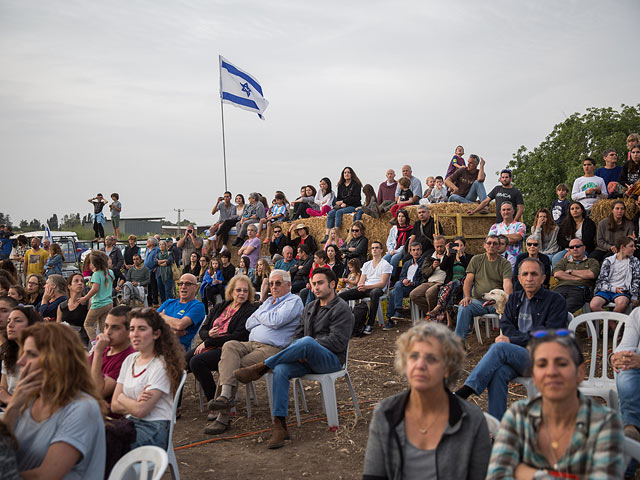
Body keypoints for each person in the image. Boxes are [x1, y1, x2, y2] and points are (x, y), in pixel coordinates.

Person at [234, 268, 353, 449]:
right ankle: (280, 426)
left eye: (320, 283)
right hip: (307, 359)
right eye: (313, 284)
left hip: (331, 360)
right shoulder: (310, 307)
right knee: (281, 370)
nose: (316, 287)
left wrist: (307, 347)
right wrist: (300, 350)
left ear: (332, 284)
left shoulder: (341, 308)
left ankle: (263, 366)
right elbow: (296, 335)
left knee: (306, 342)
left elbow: (337, 342)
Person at [487, 329, 624, 478]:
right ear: (532, 373)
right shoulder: (517, 416)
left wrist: (525, 473)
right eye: (542, 364)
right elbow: (497, 475)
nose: (551, 372)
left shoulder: (604, 422)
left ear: (580, 373)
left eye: (562, 363)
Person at [363, 321, 491, 479]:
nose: (420, 365)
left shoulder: (472, 419)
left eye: (431, 359)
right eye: (414, 356)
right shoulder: (386, 413)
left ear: (448, 369)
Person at [456, 258, 567, 418]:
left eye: (534, 274)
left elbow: (548, 333)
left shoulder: (555, 301)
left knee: (500, 347)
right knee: (498, 372)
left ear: (543, 278)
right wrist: (515, 341)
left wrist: (513, 341)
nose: (529, 278)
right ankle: (498, 429)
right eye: (525, 274)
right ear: (519, 279)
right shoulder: (514, 299)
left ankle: (464, 392)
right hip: (518, 357)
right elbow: (506, 327)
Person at [2, 322, 106, 477]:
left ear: (57, 360)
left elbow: (47, 475)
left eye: (31, 354)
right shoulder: (28, 399)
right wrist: (13, 405)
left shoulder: (82, 407)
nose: (20, 361)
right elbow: (3, 445)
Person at [207, 269, 303, 434]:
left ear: (289, 284)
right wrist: (264, 316)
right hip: (251, 343)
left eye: (278, 283)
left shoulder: (293, 301)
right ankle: (224, 396)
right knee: (229, 345)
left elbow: (276, 321)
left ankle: (222, 417)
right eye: (271, 284)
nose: (273, 287)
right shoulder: (268, 302)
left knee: (234, 367)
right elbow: (249, 323)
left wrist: (261, 315)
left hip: (273, 349)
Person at [186, 276, 258, 433]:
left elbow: (239, 336)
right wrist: (208, 335)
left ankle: (215, 402)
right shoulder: (221, 306)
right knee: (182, 362)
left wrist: (209, 342)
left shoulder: (249, 310)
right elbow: (204, 329)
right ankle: (174, 406)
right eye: (238, 290)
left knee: (197, 362)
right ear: (231, 291)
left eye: (245, 291)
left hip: (227, 349)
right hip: (209, 344)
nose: (242, 293)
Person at [112, 308, 186, 449]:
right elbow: (114, 406)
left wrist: (122, 397)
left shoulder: (161, 365)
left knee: (106, 446)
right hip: (130, 422)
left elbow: (141, 411)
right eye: (132, 329)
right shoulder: (129, 360)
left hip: (154, 429)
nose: (135, 334)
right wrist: (134, 403)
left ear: (156, 334)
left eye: (142, 329)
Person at [454, 235, 513, 341]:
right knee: (464, 307)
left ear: (499, 246)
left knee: (510, 310)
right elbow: (468, 281)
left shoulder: (505, 263)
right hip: (478, 302)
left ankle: (508, 341)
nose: (491, 245)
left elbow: (507, 283)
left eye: (495, 243)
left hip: (496, 303)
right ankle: (458, 343)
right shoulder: (476, 259)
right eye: (489, 243)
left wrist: (508, 300)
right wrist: (467, 296)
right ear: (484, 245)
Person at [339, 241, 393, 335]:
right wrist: (360, 285)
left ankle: (370, 324)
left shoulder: (386, 265)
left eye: (376, 248)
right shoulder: (366, 264)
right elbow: (361, 279)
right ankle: (346, 321)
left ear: (381, 250)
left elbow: (382, 284)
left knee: (375, 293)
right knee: (342, 295)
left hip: (377, 289)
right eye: (372, 248)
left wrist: (366, 287)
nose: (374, 250)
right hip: (365, 288)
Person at [89, 306, 135, 408]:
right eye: (106, 326)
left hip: (108, 418)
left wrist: (98, 353)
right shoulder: (105, 349)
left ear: (130, 331)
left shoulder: (129, 358)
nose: (108, 332)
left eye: (115, 327)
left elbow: (98, 392)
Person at [0, 306, 43, 406]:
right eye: (8, 321)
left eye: (18, 321)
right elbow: (2, 389)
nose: (10, 325)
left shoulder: (42, 355)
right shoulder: (8, 353)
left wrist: (9, 399)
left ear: (31, 325)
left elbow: (39, 400)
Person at [612, 307, 640, 446]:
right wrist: (617, 357)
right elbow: (625, 347)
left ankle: (631, 426)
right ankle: (631, 430)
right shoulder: (637, 314)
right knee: (625, 370)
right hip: (635, 372)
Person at [590, 236, 640, 313]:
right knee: (594, 305)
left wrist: (634, 296)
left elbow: (636, 280)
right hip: (606, 290)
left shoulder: (634, 261)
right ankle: (612, 324)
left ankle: (610, 324)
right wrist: (613, 289)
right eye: (631, 246)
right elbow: (601, 281)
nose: (634, 248)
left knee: (622, 303)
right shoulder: (608, 261)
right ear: (622, 247)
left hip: (623, 291)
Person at [157, 273, 206, 351]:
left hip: (176, 348)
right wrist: (172, 331)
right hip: (157, 342)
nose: (183, 287)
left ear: (195, 287)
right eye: (181, 284)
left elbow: (180, 325)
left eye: (188, 284)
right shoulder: (169, 302)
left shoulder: (198, 306)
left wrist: (162, 316)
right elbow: (152, 320)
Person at [552, 238, 600, 314]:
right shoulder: (564, 261)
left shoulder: (591, 261)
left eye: (577, 246)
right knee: (549, 307)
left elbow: (591, 274)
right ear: (569, 250)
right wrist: (579, 278)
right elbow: (557, 274)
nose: (575, 249)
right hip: (561, 288)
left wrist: (570, 271)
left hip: (579, 290)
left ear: (584, 248)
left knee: (564, 310)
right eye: (571, 247)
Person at [385, 242, 423, 329]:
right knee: (395, 290)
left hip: (416, 287)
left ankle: (394, 315)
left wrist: (413, 283)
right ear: (410, 252)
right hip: (404, 287)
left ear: (421, 251)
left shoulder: (423, 263)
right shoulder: (407, 263)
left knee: (396, 288)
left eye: (418, 250)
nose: (416, 252)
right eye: (413, 250)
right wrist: (404, 280)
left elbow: (424, 279)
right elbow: (402, 276)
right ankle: (395, 313)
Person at [80, 250, 114, 341]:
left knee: (88, 324)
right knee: (103, 326)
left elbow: (95, 289)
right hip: (109, 302)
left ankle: (95, 344)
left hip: (98, 303)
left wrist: (85, 298)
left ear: (94, 264)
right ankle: (106, 343)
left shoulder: (96, 274)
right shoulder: (110, 272)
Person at [409, 235, 447, 316]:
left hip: (441, 282)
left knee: (429, 293)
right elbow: (424, 273)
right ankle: (433, 312)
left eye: (441, 246)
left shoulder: (449, 256)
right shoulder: (429, 257)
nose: (439, 249)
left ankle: (432, 316)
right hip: (429, 282)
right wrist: (432, 267)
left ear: (445, 245)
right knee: (414, 294)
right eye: (437, 247)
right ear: (434, 246)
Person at [552, 201, 597, 266]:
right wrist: (570, 248)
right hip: (567, 249)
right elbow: (560, 239)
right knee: (556, 258)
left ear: (582, 210)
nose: (575, 210)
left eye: (577, 208)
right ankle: (559, 275)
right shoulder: (565, 223)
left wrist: (573, 248)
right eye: (572, 209)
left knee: (572, 258)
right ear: (569, 212)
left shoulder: (589, 223)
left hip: (582, 249)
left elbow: (588, 240)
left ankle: (572, 275)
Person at [323, 166, 363, 241]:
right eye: (345, 173)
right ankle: (327, 235)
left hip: (353, 205)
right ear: (343, 175)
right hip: (342, 205)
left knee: (339, 212)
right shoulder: (341, 185)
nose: (346, 174)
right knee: (331, 213)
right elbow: (338, 198)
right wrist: (341, 203)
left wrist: (345, 203)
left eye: (348, 172)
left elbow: (357, 198)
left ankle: (336, 233)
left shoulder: (356, 184)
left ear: (351, 174)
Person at [488, 202, 526, 269]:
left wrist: (500, 237)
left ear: (513, 211)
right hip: (498, 262)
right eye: (504, 210)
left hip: (517, 261)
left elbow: (518, 237)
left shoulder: (520, 225)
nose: (506, 212)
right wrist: (512, 237)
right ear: (500, 212)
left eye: (508, 209)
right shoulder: (494, 227)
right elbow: (491, 242)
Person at [57, 273, 89, 344]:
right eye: (76, 281)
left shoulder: (88, 303)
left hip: (82, 341)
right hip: (66, 340)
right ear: (69, 286)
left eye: (82, 281)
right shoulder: (62, 306)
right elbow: (58, 327)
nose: (80, 283)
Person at [383, 209, 412, 276]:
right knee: (384, 259)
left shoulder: (410, 229)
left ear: (406, 218)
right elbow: (389, 241)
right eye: (399, 216)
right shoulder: (394, 228)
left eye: (403, 216)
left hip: (402, 251)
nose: (400, 218)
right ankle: (382, 277)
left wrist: (396, 251)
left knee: (394, 259)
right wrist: (391, 250)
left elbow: (406, 244)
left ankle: (391, 277)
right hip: (392, 250)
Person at [144, 236, 160, 307]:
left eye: (148, 241)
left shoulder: (157, 250)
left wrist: (156, 267)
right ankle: (149, 301)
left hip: (153, 270)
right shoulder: (147, 249)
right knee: (148, 287)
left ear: (153, 243)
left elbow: (158, 260)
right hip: (146, 271)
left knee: (154, 287)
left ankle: (155, 302)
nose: (147, 242)